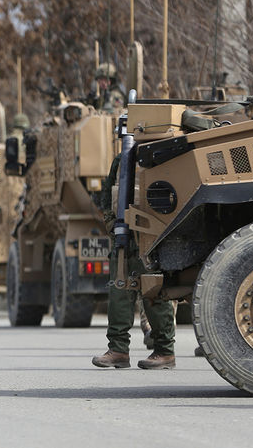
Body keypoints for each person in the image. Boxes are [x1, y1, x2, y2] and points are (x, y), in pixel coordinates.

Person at [92, 154, 176, 370]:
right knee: (119, 292)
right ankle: (118, 350)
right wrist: (111, 223)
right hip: (124, 236)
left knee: (154, 293)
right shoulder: (123, 159)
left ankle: (164, 351)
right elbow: (106, 194)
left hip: (153, 235)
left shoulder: (162, 154)